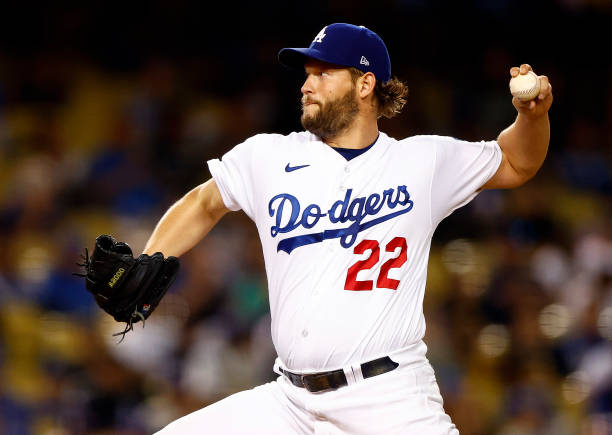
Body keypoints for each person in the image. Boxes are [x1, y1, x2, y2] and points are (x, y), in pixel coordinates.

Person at [150, 23, 553, 434]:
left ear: (365, 84)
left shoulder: (421, 163)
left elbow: (516, 162)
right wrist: (149, 257)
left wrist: (532, 117)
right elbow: (203, 202)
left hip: (388, 397)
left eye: (323, 73)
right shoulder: (269, 156)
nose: (307, 85)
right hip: (289, 401)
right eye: (307, 74)